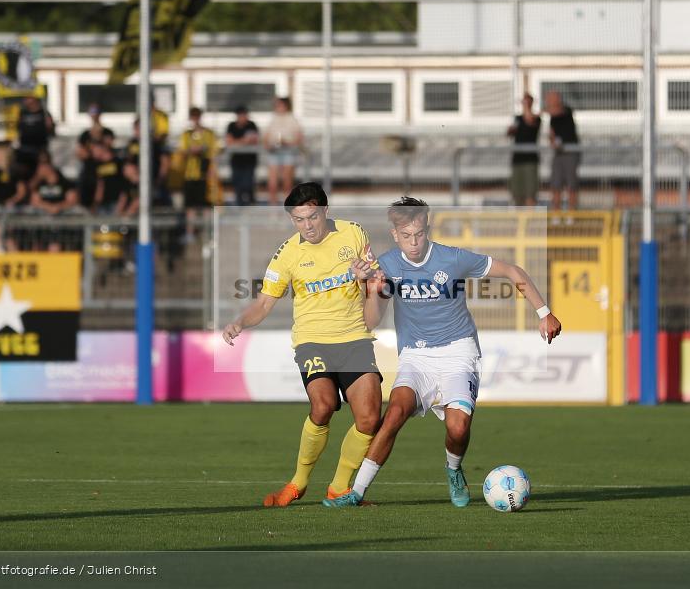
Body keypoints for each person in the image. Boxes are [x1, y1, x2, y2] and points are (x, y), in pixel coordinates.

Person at [323, 197, 562, 508]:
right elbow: (370, 321)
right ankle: (356, 493)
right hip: (415, 356)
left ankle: (453, 469)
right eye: (406, 235)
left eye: (419, 234)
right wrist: (370, 290)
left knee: (458, 428)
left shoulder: (452, 258)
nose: (413, 242)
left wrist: (544, 313)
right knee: (393, 414)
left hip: (458, 352)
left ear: (427, 228)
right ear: (395, 234)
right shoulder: (386, 266)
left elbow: (512, 271)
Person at [221, 182, 382, 507]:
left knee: (369, 419)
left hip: (354, 338)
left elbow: (374, 280)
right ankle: (298, 482)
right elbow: (264, 303)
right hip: (313, 342)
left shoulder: (353, 233)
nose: (306, 226)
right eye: (298, 220)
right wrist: (240, 321)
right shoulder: (287, 253)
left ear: (324, 211)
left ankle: (339, 487)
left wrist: (366, 279)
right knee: (322, 406)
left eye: (312, 217)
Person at [178, 106, 218, 242]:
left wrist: (212, 171)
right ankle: (190, 232)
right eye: (193, 117)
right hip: (190, 174)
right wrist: (191, 151)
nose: (195, 120)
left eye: (197, 116)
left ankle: (207, 233)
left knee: (206, 205)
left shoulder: (209, 134)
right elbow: (182, 152)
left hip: (204, 175)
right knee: (190, 206)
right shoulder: (186, 134)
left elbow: (213, 153)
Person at [263, 97, 303, 206]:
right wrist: (268, 145)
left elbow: (299, 138)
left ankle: (288, 206)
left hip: (288, 152)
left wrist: (288, 143)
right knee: (272, 183)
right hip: (274, 152)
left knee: (287, 182)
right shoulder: (273, 119)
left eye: (280, 105)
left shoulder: (292, 119)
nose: (278, 107)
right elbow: (266, 137)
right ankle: (272, 206)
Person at [545, 91, 580, 211]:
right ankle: (556, 214)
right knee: (556, 185)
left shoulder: (566, 110)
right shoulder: (552, 117)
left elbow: (556, 111)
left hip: (570, 153)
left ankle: (571, 215)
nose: (548, 101)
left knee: (571, 185)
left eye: (550, 99)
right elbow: (551, 133)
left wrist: (542, 111)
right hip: (558, 153)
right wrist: (552, 140)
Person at [75, 103, 113, 210]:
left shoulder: (107, 132)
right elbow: (81, 154)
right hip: (89, 169)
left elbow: (107, 153)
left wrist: (94, 144)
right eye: (92, 111)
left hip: (104, 168)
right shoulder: (85, 134)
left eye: (96, 111)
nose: (94, 114)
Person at [507, 93, 542, 206]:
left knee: (530, 193)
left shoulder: (536, 118)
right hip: (517, 160)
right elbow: (509, 133)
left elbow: (530, 120)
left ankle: (530, 216)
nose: (525, 103)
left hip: (530, 160)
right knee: (517, 194)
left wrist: (526, 107)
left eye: (527, 102)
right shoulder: (517, 119)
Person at [225, 105, 259, 206]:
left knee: (248, 184)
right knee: (237, 184)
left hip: (249, 160)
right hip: (236, 160)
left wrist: (237, 142)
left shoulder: (252, 125)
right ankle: (240, 205)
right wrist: (244, 141)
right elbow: (229, 141)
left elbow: (254, 140)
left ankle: (251, 203)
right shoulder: (231, 126)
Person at [15, 96, 55, 180]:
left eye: (28, 97)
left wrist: (50, 126)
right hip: (24, 150)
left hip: (40, 150)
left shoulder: (44, 113)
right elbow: (16, 130)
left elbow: (52, 134)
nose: (25, 100)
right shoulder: (22, 113)